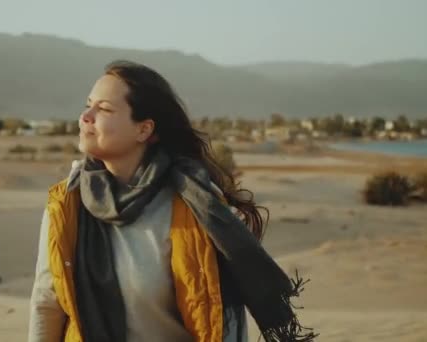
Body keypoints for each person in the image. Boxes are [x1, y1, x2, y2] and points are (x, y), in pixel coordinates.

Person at [28, 60, 316, 342]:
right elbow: (47, 303)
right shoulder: (66, 203)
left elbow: (219, 317)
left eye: (103, 108)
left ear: (144, 129)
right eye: (87, 104)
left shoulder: (196, 204)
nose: (85, 116)